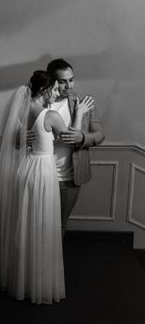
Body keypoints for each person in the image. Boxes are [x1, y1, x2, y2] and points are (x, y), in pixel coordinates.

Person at [0, 70, 94, 304]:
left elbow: (18, 141)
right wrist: (80, 113)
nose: (57, 92)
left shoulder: (22, 110)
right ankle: (37, 283)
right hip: (43, 173)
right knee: (44, 226)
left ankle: (19, 279)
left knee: (24, 225)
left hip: (25, 171)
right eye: (53, 89)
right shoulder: (50, 115)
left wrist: (24, 138)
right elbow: (71, 140)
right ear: (43, 91)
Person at [46, 58, 105, 237]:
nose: (69, 86)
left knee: (60, 225)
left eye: (71, 80)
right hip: (41, 173)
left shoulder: (84, 102)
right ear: (52, 81)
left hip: (70, 176)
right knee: (39, 223)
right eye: (63, 81)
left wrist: (82, 137)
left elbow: (100, 135)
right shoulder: (41, 101)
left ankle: (55, 265)